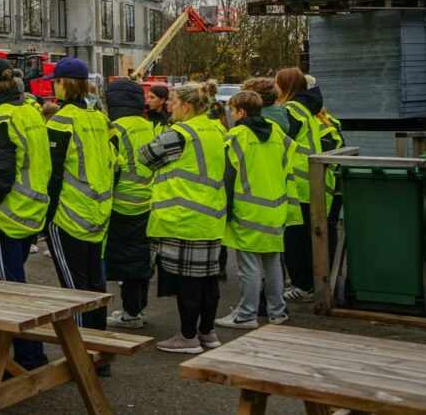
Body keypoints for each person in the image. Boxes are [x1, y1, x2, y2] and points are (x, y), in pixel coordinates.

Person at [0, 59, 52, 370]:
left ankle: (28, 358)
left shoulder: (0, 119)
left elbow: (0, 177)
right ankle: (35, 352)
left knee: (11, 292)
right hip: (31, 212)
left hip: (5, 217)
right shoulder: (29, 111)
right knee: (18, 285)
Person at [139, 81, 226, 355]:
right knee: (207, 280)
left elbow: (146, 155)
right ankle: (207, 332)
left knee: (188, 283)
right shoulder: (215, 128)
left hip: (182, 215)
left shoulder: (181, 133)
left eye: (173, 103)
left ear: (187, 106)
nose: (169, 107)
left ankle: (187, 337)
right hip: (209, 214)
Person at [43, 59, 114, 375]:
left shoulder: (60, 122)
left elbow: (52, 175)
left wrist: (45, 218)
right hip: (98, 212)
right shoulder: (99, 118)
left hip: (68, 215)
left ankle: (84, 358)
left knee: (75, 291)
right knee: (95, 285)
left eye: (54, 82)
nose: (52, 86)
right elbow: (115, 162)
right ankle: (100, 353)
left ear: (63, 84)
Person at [215, 91, 293, 329]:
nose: (231, 115)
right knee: (272, 263)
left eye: (232, 110)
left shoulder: (237, 136)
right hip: (275, 206)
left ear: (241, 112)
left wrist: (224, 210)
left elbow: (228, 176)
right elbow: (286, 161)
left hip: (247, 208)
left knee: (248, 266)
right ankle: (277, 312)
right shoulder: (277, 132)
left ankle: (246, 314)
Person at [274, 68, 340, 303]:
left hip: (297, 183)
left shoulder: (291, 110)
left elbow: (277, 141)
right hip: (311, 182)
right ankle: (311, 281)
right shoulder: (308, 109)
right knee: (308, 237)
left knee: (294, 239)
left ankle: (303, 285)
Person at [103, 79, 156, 330]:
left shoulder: (115, 127)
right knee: (141, 257)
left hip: (122, 201)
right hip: (149, 198)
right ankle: (137, 308)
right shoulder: (148, 125)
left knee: (127, 261)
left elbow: (111, 166)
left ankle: (131, 313)